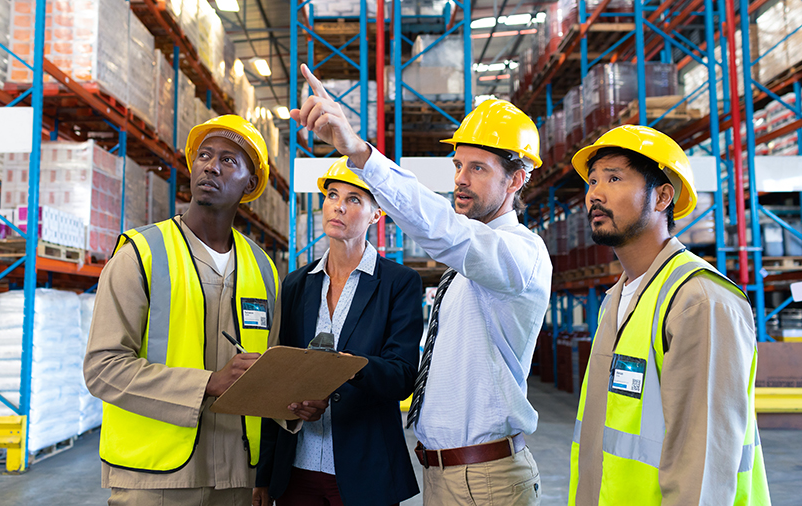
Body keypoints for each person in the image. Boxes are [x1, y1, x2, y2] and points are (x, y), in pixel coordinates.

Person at [292, 64, 552, 506]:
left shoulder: (519, 255)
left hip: (485, 479)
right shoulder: (468, 265)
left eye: (478, 168)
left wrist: (359, 152)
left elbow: (443, 230)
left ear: (517, 178)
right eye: (457, 165)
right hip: (446, 472)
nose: (460, 180)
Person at [83, 114, 325, 506]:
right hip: (155, 478)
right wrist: (208, 383)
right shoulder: (141, 255)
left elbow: (267, 370)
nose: (211, 165)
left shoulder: (263, 269)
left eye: (228, 160)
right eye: (205, 156)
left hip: (236, 477)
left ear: (250, 183)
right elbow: (102, 368)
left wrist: (294, 405)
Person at [567, 125, 770, 505]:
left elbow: (705, 462)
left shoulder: (700, 300)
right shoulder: (617, 300)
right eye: (592, 181)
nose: (595, 193)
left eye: (614, 177)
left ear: (662, 197)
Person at [253, 157, 422, 506]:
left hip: (366, 470)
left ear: (377, 214)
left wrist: (343, 368)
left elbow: (403, 375)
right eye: (332, 195)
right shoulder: (297, 283)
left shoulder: (398, 283)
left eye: (354, 199)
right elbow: (278, 371)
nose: (339, 206)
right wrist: (265, 475)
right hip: (297, 469)